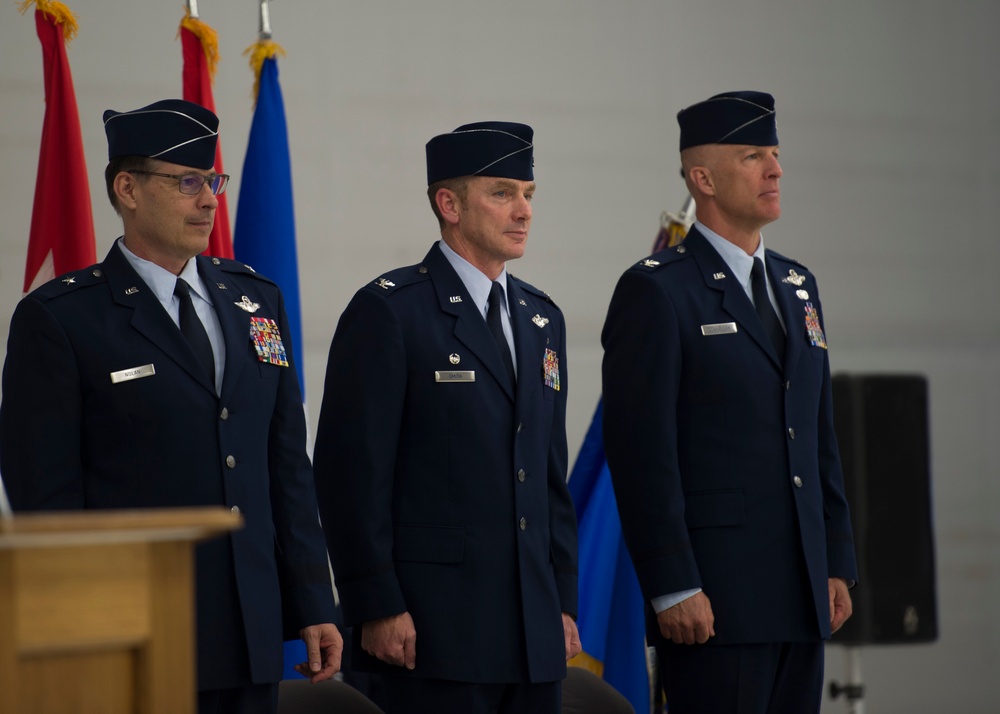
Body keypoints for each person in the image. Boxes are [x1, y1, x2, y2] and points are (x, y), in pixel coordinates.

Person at [0, 99, 342, 713]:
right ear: (127, 188)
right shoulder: (62, 319)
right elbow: (47, 499)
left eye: (213, 181)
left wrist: (315, 601)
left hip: (253, 628)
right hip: (138, 632)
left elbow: (286, 464)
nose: (210, 199)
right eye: (187, 182)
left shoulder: (254, 300)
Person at [601, 91, 858, 713]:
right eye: (753, 155)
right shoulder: (657, 292)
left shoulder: (798, 286)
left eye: (774, 154)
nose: (775, 169)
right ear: (703, 178)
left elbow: (818, 433)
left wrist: (837, 558)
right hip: (714, 601)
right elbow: (641, 454)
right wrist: (671, 585)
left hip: (801, 596)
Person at [312, 121, 580, 714]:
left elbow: (548, 477)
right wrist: (376, 603)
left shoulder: (541, 319)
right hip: (432, 632)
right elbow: (349, 475)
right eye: (503, 192)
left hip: (532, 633)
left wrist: (560, 602)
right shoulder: (391, 312)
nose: (523, 211)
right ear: (449, 203)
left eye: (529, 195)